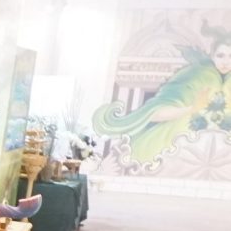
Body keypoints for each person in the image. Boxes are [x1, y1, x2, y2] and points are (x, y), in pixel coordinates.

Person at [94, 22, 231, 163]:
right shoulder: (195, 76)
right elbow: (154, 113)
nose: (226, 62)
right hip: (176, 145)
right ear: (212, 56)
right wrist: (192, 108)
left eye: (230, 56)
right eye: (220, 55)